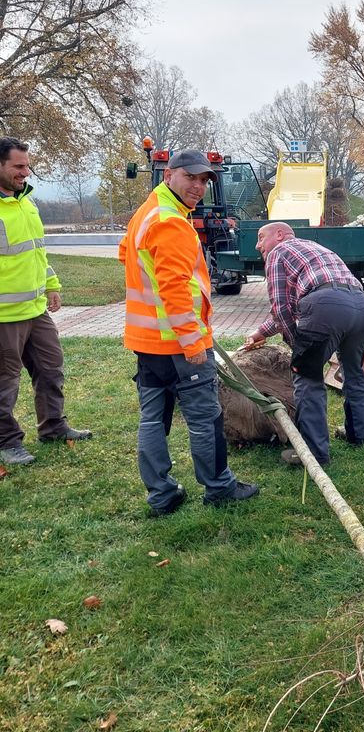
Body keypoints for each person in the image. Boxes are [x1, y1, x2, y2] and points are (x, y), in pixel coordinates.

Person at [119, 149, 258, 515]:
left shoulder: (147, 212)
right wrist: (192, 340)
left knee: (153, 417)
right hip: (181, 345)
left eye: (204, 181)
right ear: (169, 176)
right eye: (190, 178)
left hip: (147, 341)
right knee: (204, 417)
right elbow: (176, 289)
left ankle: (161, 495)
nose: (198, 187)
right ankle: (219, 487)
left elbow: (125, 254)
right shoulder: (172, 223)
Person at [244, 222, 364, 467]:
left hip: (326, 306)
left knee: (307, 378)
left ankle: (314, 453)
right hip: (362, 306)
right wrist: (261, 332)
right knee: (354, 372)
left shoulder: (277, 253)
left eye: (261, 237)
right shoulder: (316, 248)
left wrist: (299, 350)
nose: (257, 245)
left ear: (280, 235)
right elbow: (297, 306)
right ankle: (358, 435)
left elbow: (282, 308)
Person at [0, 136, 92, 465]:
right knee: (5, 382)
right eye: (18, 166)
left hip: (35, 310)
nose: (26, 172)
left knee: (51, 369)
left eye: (27, 165)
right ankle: (7, 441)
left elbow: (37, 252)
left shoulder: (27, 202)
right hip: (4, 316)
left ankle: (53, 426)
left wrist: (51, 284)